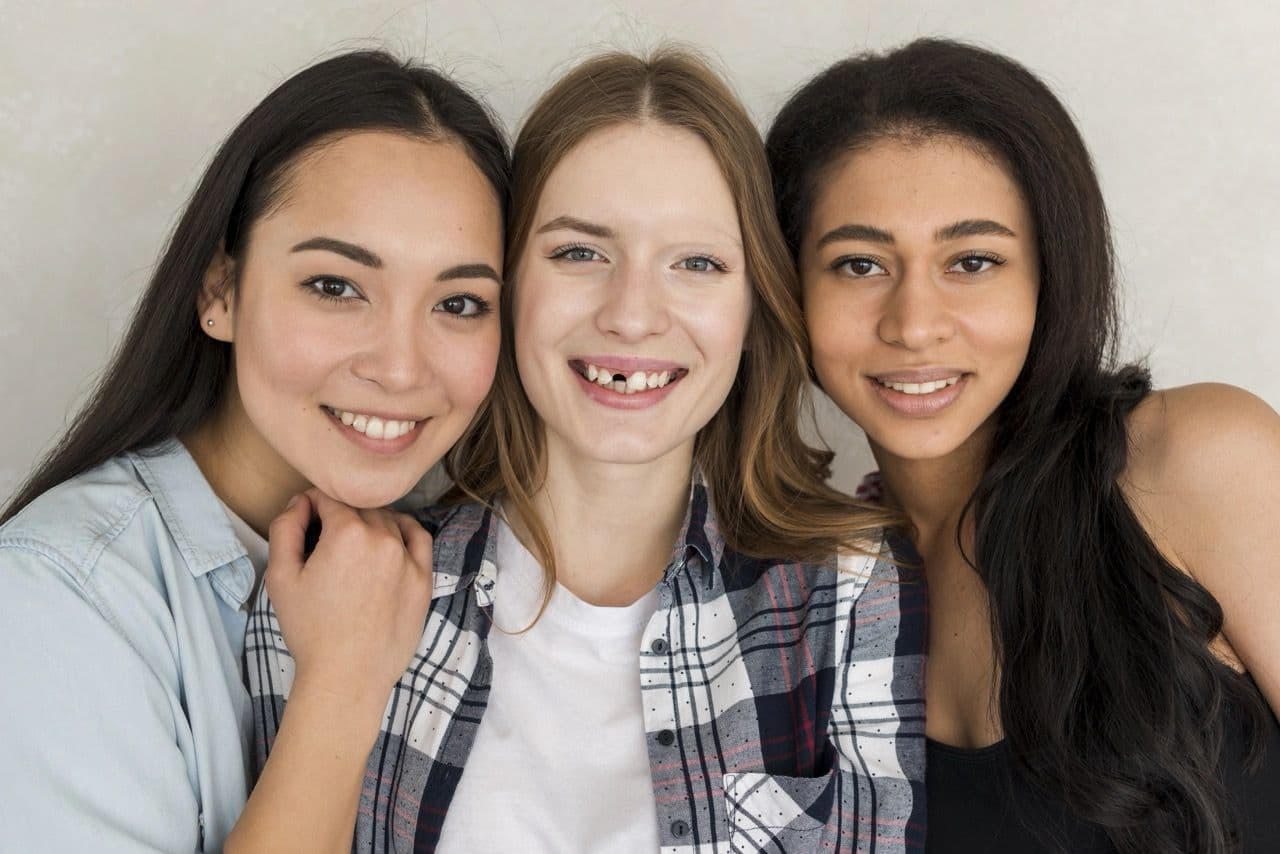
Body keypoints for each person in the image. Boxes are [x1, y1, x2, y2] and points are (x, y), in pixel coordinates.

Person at [249, 47, 928, 853]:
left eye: (698, 263)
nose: (632, 315)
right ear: (506, 287)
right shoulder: (340, 586)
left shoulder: (854, 594)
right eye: (579, 252)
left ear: (753, 311)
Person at [766, 38, 1280, 854]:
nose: (915, 323)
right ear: (787, 288)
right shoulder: (822, 597)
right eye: (859, 264)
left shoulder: (1195, 462)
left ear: (1050, 277)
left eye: (972, 261)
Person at [0, 50, 508, 852]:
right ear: (220, 293)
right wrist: (342, 684)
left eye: (459, 302)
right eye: (336, 286)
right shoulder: (58, 601)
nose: (401, 367)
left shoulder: (476, 573)